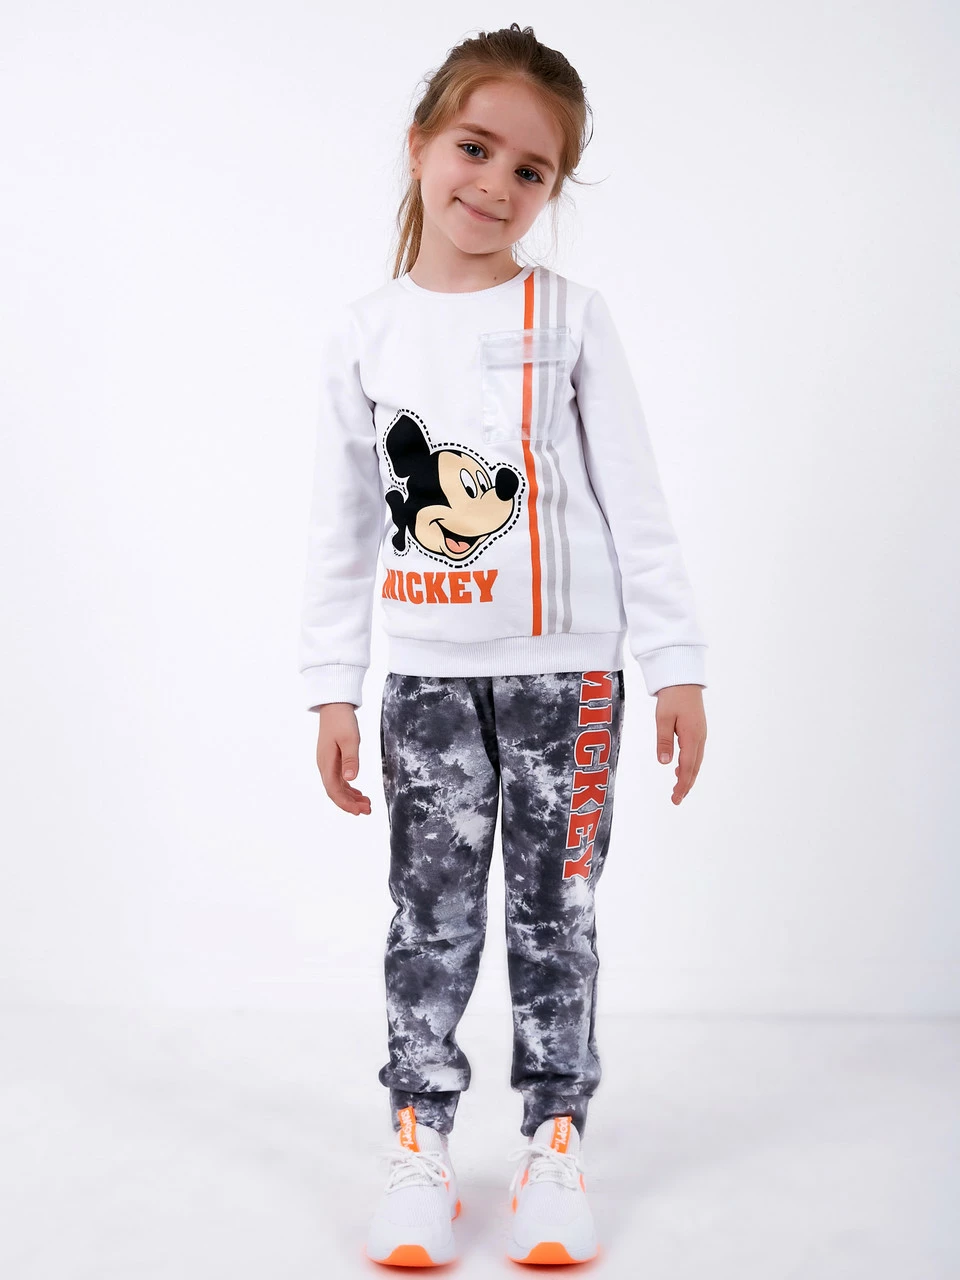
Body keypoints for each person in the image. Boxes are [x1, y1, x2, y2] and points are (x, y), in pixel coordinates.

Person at [298, 22, 709, 1268]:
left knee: (554, 913)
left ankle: (555, 1139)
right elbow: (341, 528)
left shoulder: (571, 316)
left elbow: (635, 498)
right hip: (425, 682)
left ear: (552, 189)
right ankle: (418, 1139)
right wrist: (332, 687)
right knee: (426, 916)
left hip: (570, 682)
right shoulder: (365, 331)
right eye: (475, 148)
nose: (495, 184)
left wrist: (676, 662)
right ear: (421, 144)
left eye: (531, 170)